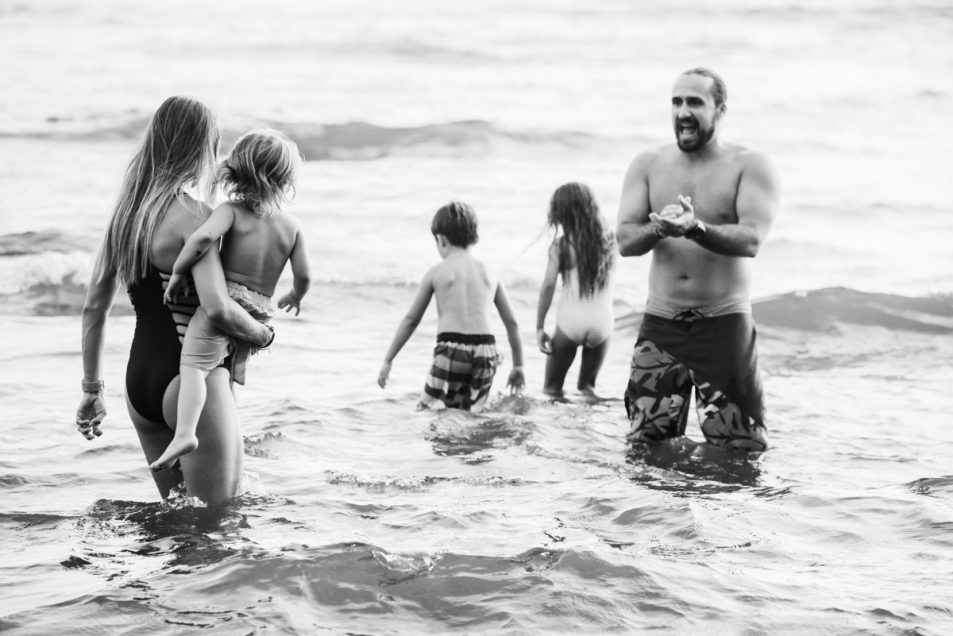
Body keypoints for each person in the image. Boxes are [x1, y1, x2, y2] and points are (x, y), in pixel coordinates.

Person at [75, 96, 275, 506]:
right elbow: (217, 307)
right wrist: (263, 334)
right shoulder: (195, 215)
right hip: (188, 379)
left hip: (140, 387)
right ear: (201, 147)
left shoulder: (126, 216)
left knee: (181, 518)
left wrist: (92, 389)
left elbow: (94, 309)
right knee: (216, 522)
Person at [616, 67, 780, 452]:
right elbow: (624, 240)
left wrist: (695, 229)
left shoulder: (749, 165)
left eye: (695, 102)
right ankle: (664, 515)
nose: (683, 112)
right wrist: (660, 230)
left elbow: (752, 239)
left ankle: (723, 514)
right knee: (646, 446)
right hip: (661, 327)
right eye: (676, 102)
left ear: (720, 109)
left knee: (741, 448)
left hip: (723, 324)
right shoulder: (648, 164)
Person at [151, 129, 311, 471]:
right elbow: (304, 275)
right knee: (227, 368)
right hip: (261, 312)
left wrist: (179, 270)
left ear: (238, 171)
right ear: (285, 179)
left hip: (229, 303)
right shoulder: (292, 225)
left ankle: (185, 433)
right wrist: (295, 296)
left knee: (194, 366)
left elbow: (203, 237)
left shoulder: (231, 211)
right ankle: (232, 426)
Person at [378, 201, 526, 411]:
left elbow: (411, 320)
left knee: (428, 408)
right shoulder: (490, 273)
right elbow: (512, 323)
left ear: (441, 240)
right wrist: (518, 365)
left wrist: (388, 359)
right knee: (474, 411)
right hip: (486, 349)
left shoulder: (436, 272)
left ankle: (446, 443)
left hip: (451, 348)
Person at [536, 182, 616, 399]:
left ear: (560, 213)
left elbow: (548, 285)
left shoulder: (561, 246)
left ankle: (557, 432)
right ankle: (589, 431)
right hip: (603, 322)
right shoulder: (610, 241)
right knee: (587, 389)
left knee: (552, 390)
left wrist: (540, 326)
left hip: (571, 322)